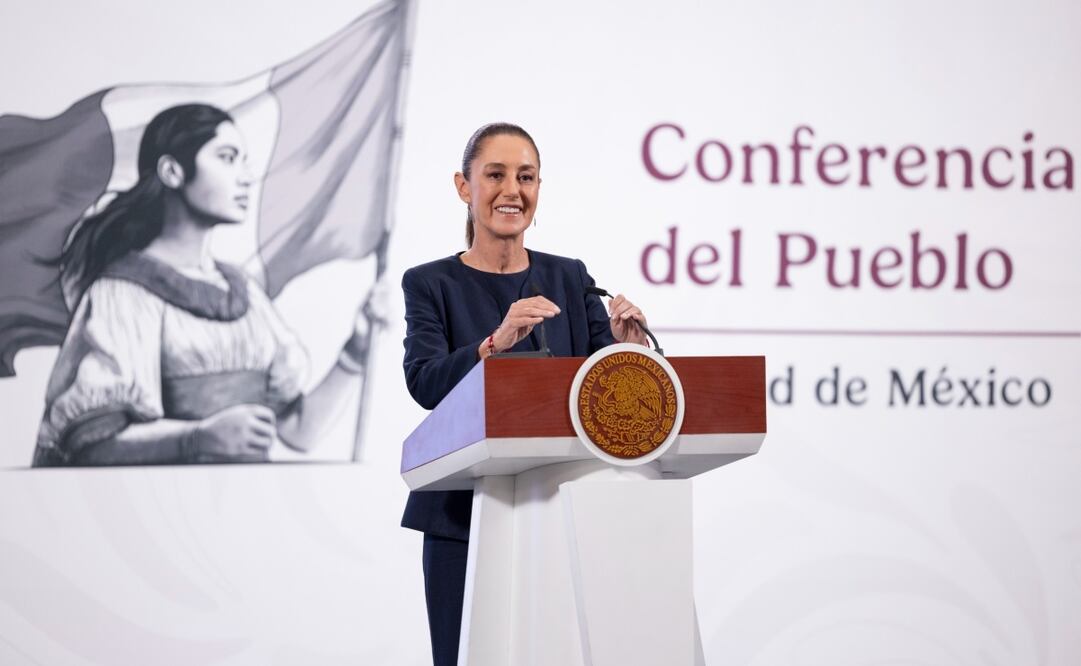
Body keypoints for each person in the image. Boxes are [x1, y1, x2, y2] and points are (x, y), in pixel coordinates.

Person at [401, 122, 649, 666]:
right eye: (495, 175)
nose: (512, 190)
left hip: (562, 511)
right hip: (460, 518)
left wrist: (628, 356)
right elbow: (423, 382)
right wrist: (494, 343)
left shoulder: (570, 276)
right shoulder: (429, 283)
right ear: (465, 188)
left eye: (526, 176)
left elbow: (603, 394)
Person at [33, 103, 378, 466]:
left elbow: (298, 431)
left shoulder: (243, 292)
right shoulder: (122, 294)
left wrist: (355, 352)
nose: (245, 177)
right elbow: (92, 446)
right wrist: (198, 438)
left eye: (244, 160)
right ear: (172, 171)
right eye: (227, 158)